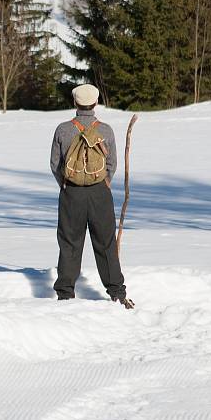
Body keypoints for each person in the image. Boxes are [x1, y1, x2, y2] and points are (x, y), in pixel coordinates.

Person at [49, 84, 134, 309]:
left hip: (71, 194)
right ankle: (117, 292)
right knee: (105, 243)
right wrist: (103, 183)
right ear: (95, 103)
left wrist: (67, 184)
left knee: (69, 243)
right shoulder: (105, 130)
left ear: (75, 103)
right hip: (100, 194)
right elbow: (112, 163)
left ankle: (65, 293)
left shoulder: (62, 129)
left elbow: (55, 164)